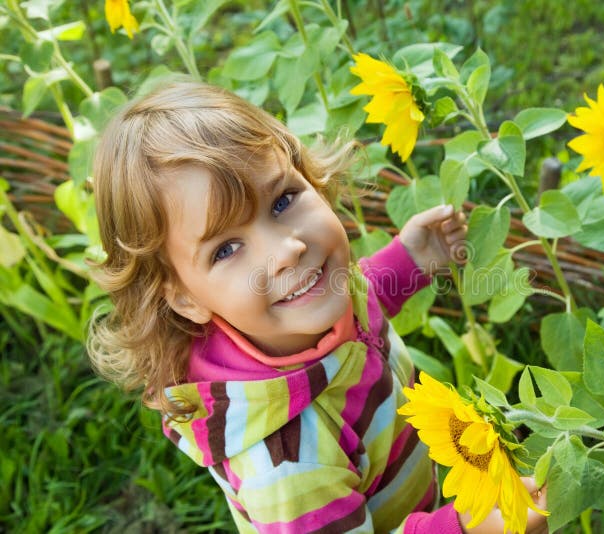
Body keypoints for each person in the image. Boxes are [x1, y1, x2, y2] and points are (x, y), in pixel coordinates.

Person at [88, 80, 547, 533]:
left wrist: (406, 262)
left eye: (283, 200)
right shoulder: (289, 464)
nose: (286, 249)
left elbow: (357, 300)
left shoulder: (296, 310)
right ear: (185, 297)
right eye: (227, 249)